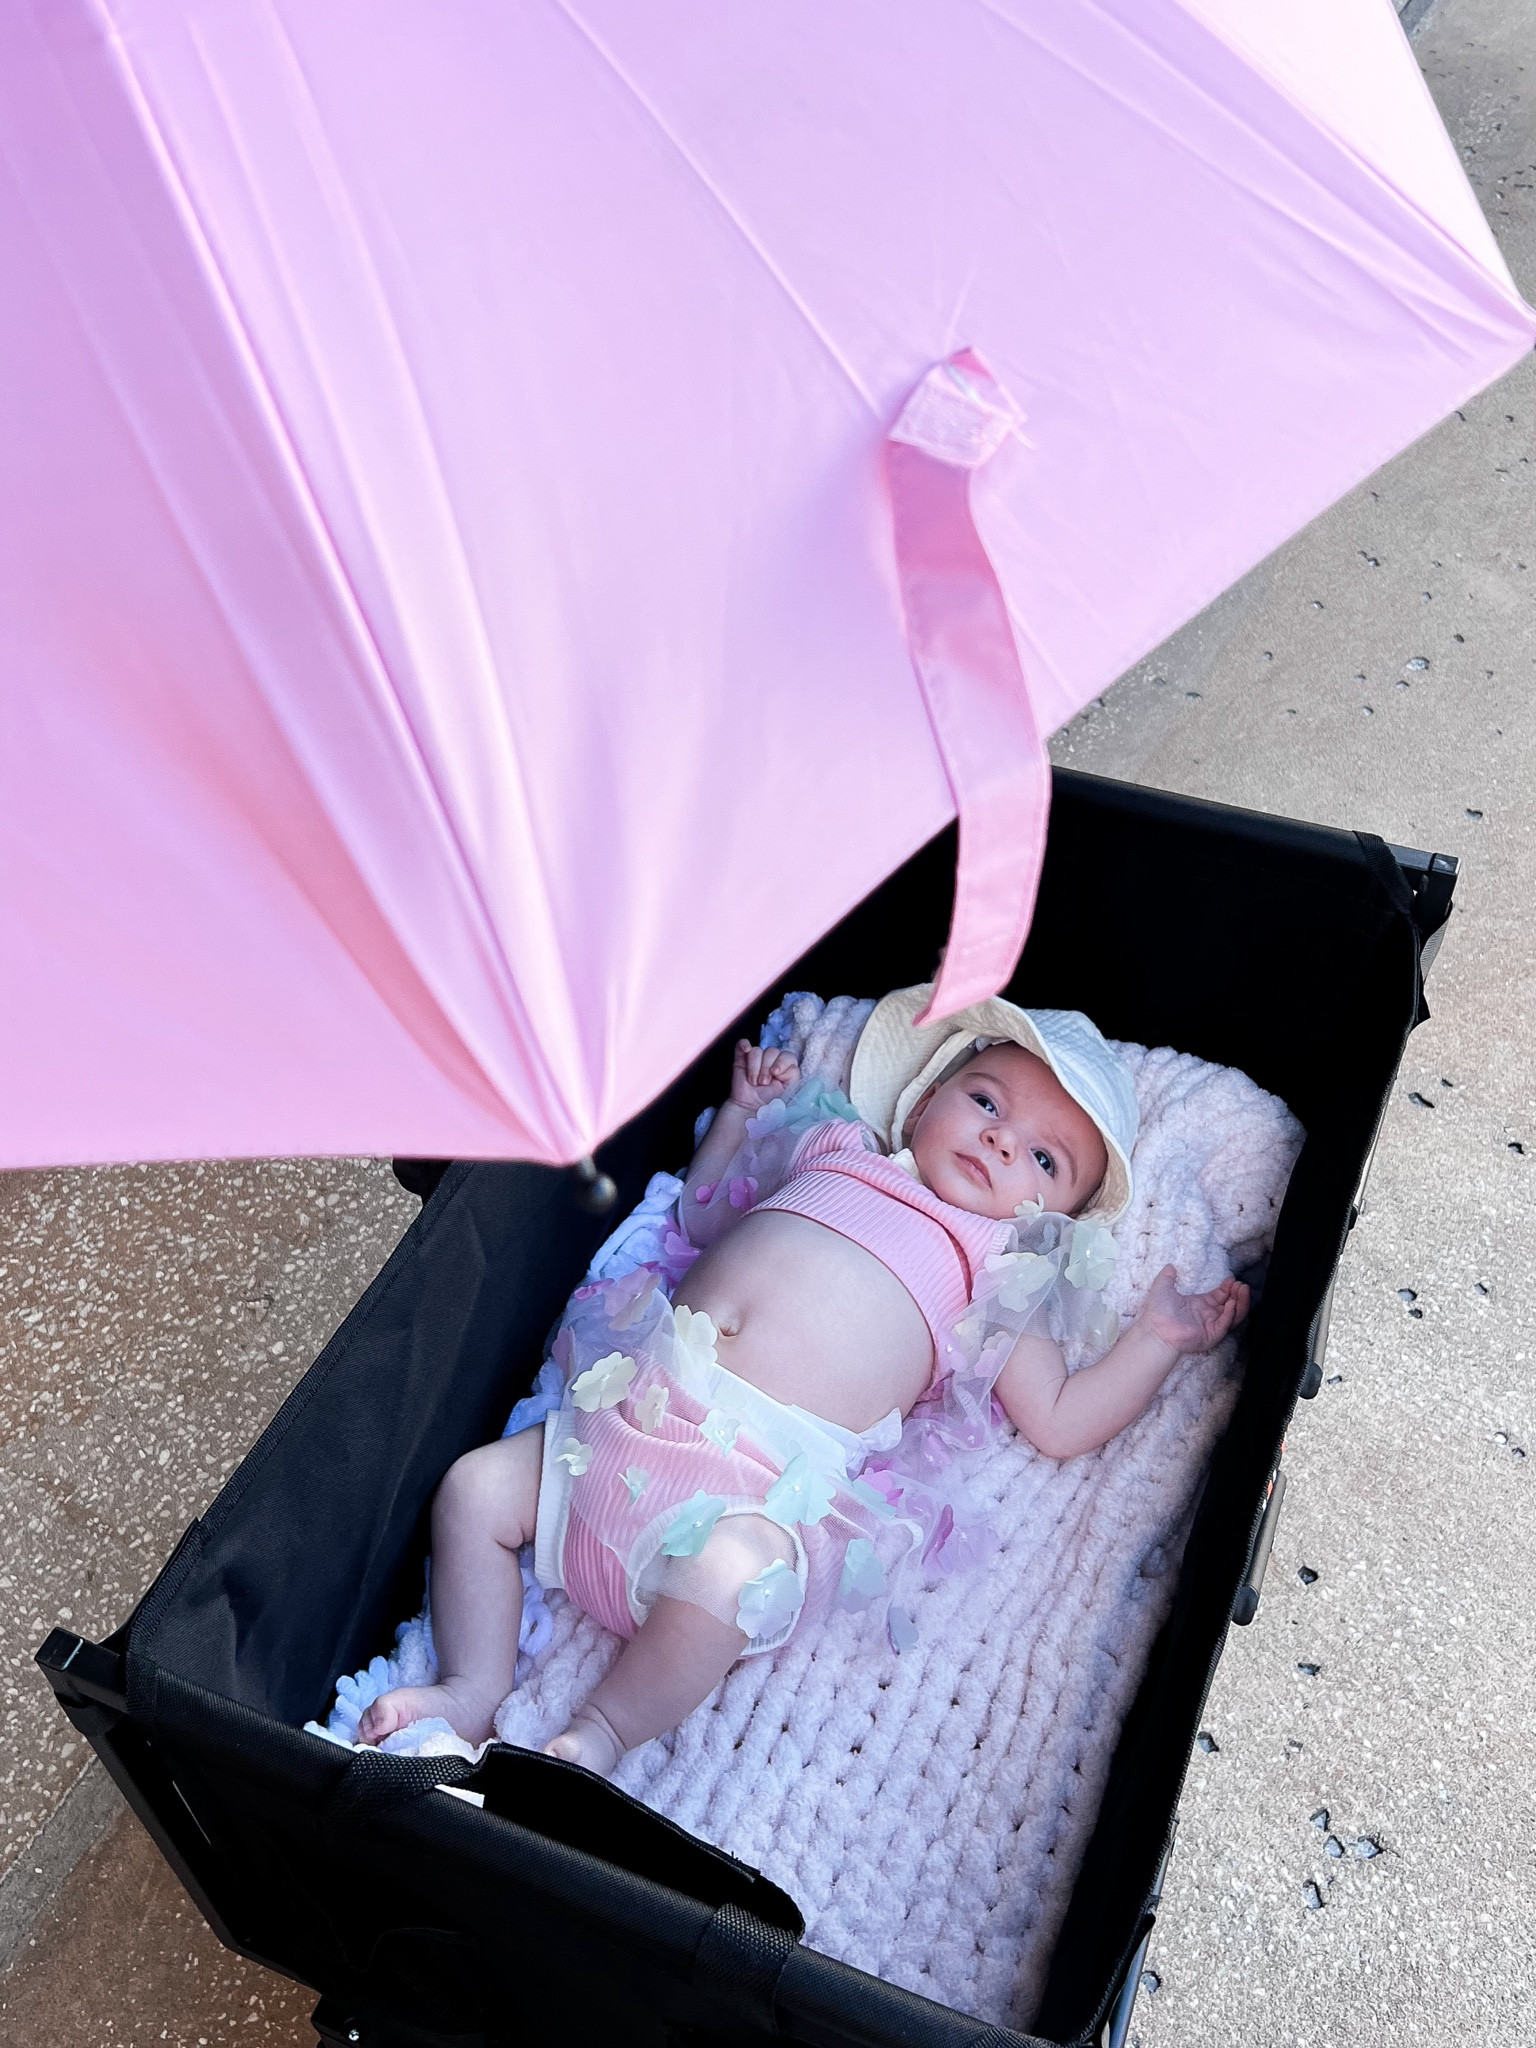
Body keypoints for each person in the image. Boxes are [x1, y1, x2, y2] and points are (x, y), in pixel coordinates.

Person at [359, 985, 1248, 1772]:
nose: (999, 1140)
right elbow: (702, 1219)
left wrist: (1157, 1341)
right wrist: (738, 1119)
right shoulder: (835, 1148)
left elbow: (1058, 1417)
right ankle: (469, 1689)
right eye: (985, 1101)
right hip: (623, 1421)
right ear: (925, 1098)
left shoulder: (997, 1273)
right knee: (474, 1489)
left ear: (1057, 1221)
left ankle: (602, 1728)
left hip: (749, 1486)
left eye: (1044, 1160)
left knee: (734, 1577)